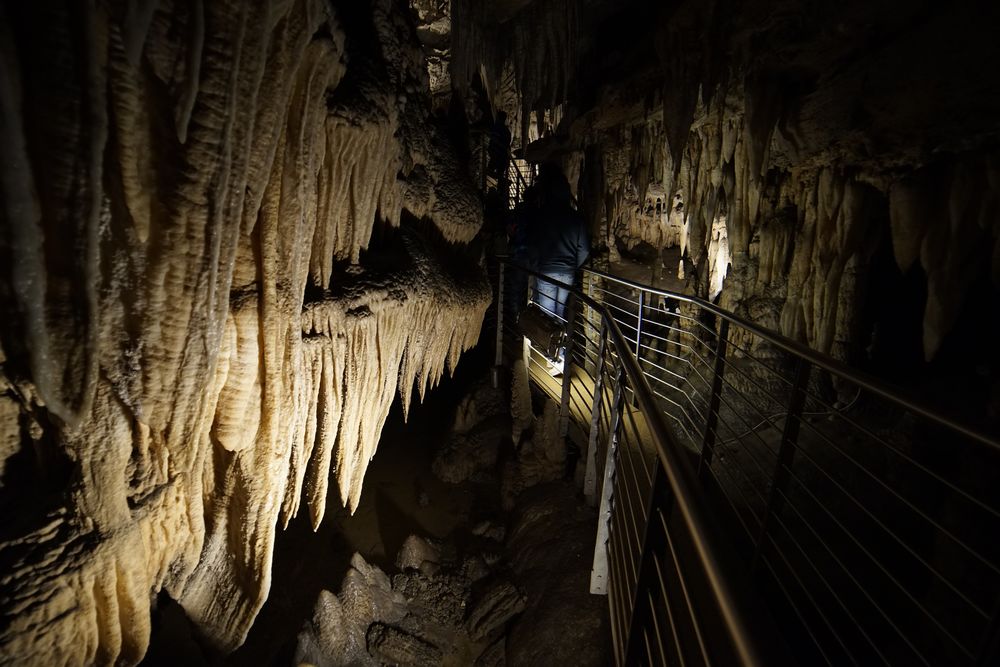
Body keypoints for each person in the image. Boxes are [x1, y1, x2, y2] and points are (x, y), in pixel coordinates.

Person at [526, 163, 589, 320]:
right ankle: (560, 345)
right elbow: (585, 250)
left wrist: (535, 264)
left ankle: (548, 345)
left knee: (547, 315)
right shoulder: (576, 219)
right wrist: (573, 264)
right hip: (567, 272)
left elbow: (534, 243)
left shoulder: (542, 215)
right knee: (560, 312)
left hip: (547, 269)